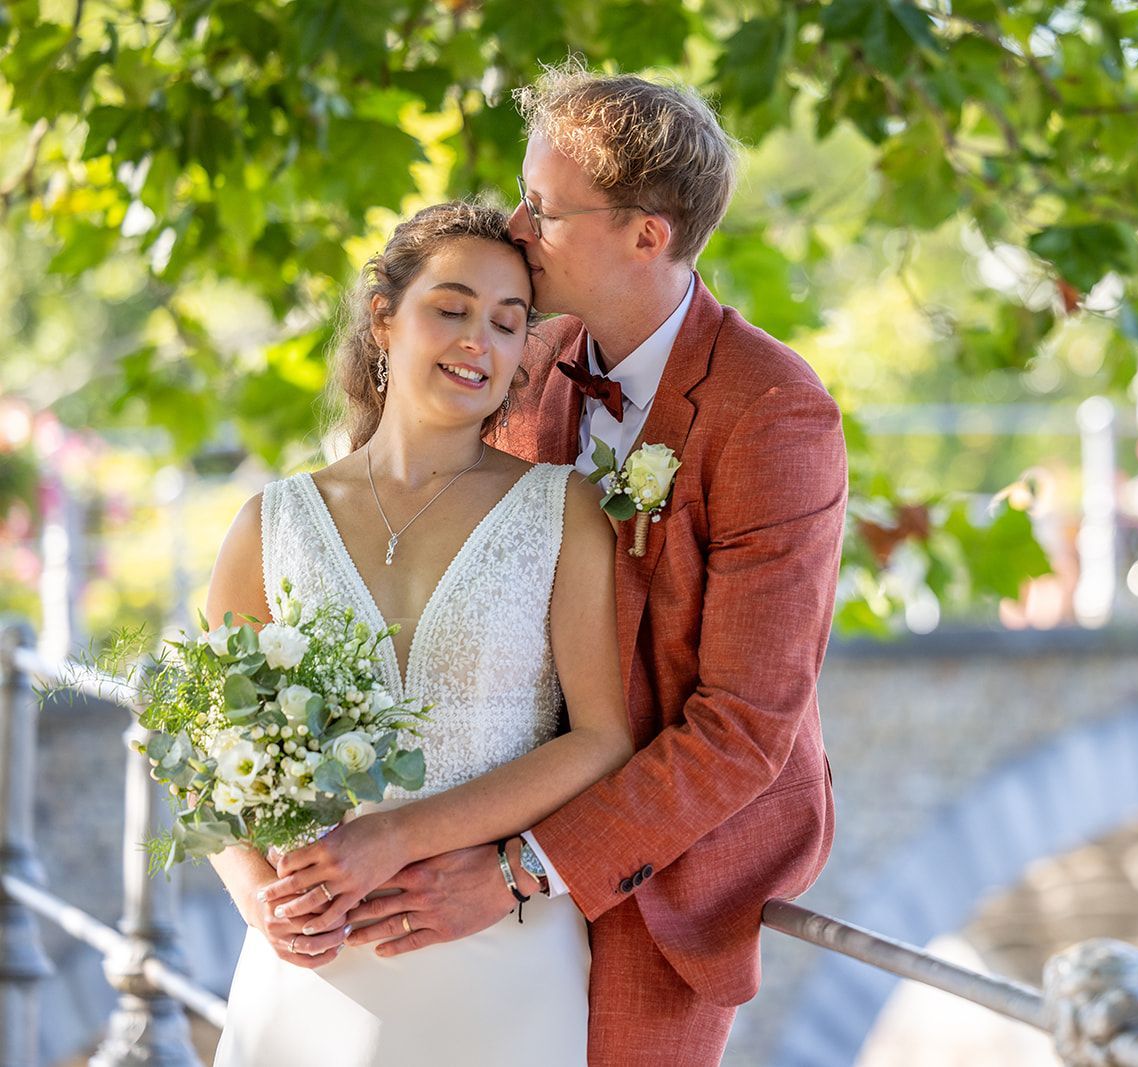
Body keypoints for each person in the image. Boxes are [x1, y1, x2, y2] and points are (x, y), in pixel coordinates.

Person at [327, 67, 850, 1064]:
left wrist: (519, 869)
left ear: (647, 234)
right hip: (487, 803)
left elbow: (742, 731)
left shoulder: (772, 414)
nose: (519, 227)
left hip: (671, 866)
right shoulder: (526, 351)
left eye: (548, 210)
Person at [203, 201, 633, 1065]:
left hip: (500, 957)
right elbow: (213, 755)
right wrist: (260, 897)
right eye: (453, 308)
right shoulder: (272, 521)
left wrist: (396, 837)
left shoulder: (563, 511)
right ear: (384, 318)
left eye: (509, 324)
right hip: (314, 970)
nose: (481, 340)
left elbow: (601, 739)